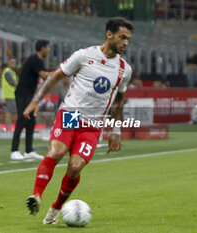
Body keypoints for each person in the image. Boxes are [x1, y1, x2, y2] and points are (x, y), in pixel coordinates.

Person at [23, 17, 134, 224]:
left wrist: (116, 131)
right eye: (122, 37)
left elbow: (119, 102)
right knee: (56, 152)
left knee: (74, 167)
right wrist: (36, 101)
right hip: (71, 114)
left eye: (128, 39)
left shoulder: (124, 70)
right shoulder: (84, 56)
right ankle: (36, 196)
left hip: (92, 125)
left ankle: (55, 209)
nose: (125, 42)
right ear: (109, 34)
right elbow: (56, 76)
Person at [10, 40, 51, 160]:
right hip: (23, 94)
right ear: (42, 48)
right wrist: (59, 73)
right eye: (47, 48)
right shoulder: (35, 59)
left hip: (29, 95)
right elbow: (44, 76)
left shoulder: (38, 60)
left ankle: (29, 151)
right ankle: (14, 150)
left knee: (31, 122)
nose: (48, 50)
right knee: (22, 120)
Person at [1, 56, 18, 132]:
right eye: (12, 62)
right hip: (9, 95)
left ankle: (9, 128)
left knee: (11, 112)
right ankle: (8, 128)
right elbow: (13, 83)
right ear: (8, 63)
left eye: (14, 62)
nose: (13, 64)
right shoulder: (7, 72)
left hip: (12, 95)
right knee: (10, 112)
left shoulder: (12, 72)